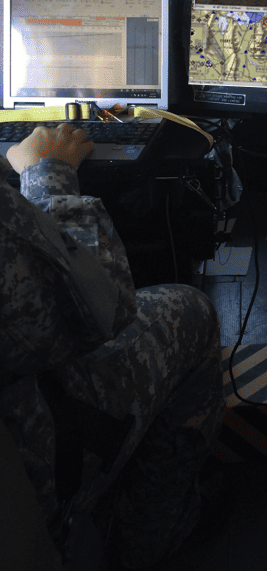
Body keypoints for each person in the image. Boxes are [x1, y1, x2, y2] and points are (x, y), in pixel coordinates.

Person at [0, 123, 225, 569]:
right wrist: (50, 172)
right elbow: (102, 308)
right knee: (192, 311)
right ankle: (152, 536)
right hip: (28, 457)